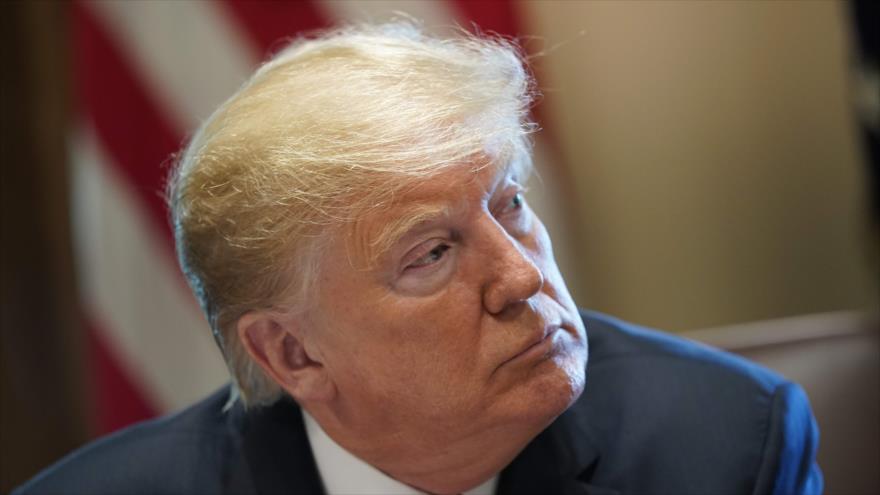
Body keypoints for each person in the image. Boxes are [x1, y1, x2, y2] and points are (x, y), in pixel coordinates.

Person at [16, 22, 822, 495]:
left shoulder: (727, 446)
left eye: (510, 204)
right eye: (431, 254)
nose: (522, 276)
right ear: (293, 352)